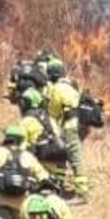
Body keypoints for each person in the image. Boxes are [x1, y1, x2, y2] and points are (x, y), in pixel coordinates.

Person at [14, 87, 76, 197]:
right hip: (60, 163)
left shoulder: (26, 121)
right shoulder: (50, 119)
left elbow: (20, 149)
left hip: (42, 165)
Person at [42, 57, 90, 196]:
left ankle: (82, 192)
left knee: (73, 157)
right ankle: (60, 186)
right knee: (64, 154)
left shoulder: (57, 88)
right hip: (79, 125)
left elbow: (54, 112)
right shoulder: (71, 85)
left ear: (51, 74)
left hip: (70, 126)